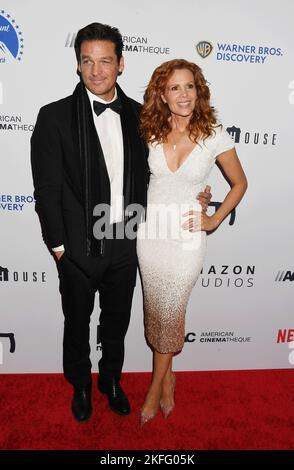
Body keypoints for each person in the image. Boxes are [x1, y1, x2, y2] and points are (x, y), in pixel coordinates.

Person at [30, 24, 212, 422]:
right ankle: (80, 384)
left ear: (121, 64)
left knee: (116, 322)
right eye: (87, 61)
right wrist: (59, 247)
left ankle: (110, 381)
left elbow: (167, 171)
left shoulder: (139, 116)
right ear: (78, 65)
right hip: (77, 247)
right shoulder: (54, 117)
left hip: (128, 242)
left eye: (105, 61)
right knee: (77, 323)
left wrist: (199, 192)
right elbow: (46, 190)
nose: (96, 71)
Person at [137, 59, 247, 426]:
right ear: (162, 95)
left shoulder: (213, 133)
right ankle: (169, 378)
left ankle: (154, 389)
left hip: (187, 238)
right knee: (155, 310)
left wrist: (213, 218)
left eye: (189, 86)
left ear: (198, 90)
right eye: (174, 88)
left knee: (171, 310)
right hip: (151, 235)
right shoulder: (149, 128)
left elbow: (240, 183)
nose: (183, 95)